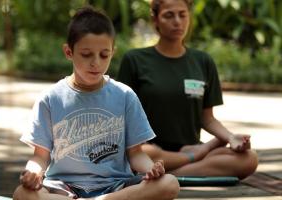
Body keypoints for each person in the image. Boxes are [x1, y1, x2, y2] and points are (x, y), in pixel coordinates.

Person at [13, 6, 179, 200]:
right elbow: (40, 157)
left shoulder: (125, 96)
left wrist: (151, 169)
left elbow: (136, 154)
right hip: (63, 187)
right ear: (68, 51)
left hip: (116, 186)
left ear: (112, 52)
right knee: (22, 193)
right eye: (86, 54)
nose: (96, 63)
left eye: (104, 55)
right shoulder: (50, 98)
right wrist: (32, 173)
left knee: (169, 183)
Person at [118, 0, 258, 179]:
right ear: (155, 19)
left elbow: (207, 119)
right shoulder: (135, 60)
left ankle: (165, 174)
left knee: (249, 159)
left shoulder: (203, 61)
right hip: (151, 150)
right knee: (143, 153)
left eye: (182, 15)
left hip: (192, 147)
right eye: (169, 15)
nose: (177, 21)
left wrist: (231, 138)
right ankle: (187, 162)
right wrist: (204, 150)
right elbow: (123, 118)